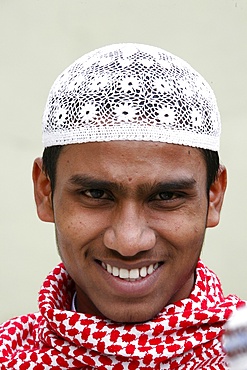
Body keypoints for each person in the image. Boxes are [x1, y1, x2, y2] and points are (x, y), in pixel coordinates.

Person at [0, 43, 245, 369]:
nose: (129, 243)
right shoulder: (9, 354)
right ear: (45, 191)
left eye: (166, 197)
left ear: (214, 195)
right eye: (96, 194)